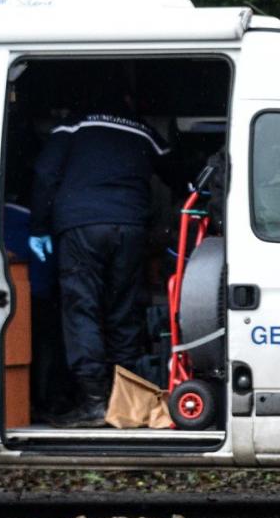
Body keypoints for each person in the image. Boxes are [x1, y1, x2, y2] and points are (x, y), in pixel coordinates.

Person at [29, 103, 177, 428]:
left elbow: (45, 172)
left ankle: (93, 402)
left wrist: (39, 225)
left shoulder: (74, 124)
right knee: (122, 312)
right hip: (130, 226)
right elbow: (176, 169)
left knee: (83, 308)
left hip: (82, 226)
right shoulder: (142, 128)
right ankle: (121, 401)